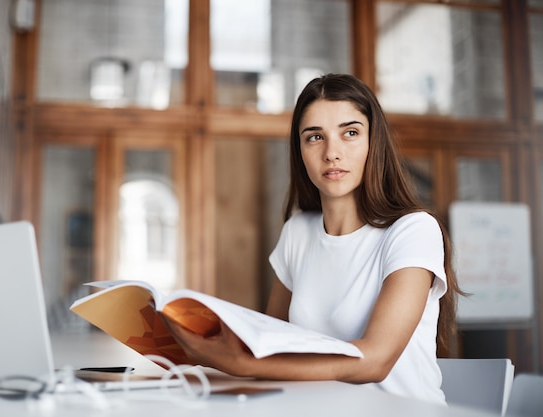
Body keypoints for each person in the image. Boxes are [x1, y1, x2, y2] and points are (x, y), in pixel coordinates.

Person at [163, 73, 463, 405]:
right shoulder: (298, 231)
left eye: (350, 133)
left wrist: (238, 362)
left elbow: (375, 362)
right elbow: (271, 343)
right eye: (314, 137)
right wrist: (205, 343)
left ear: (373, 143)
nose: (332, 153)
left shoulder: (413, 230)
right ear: (300, 150)